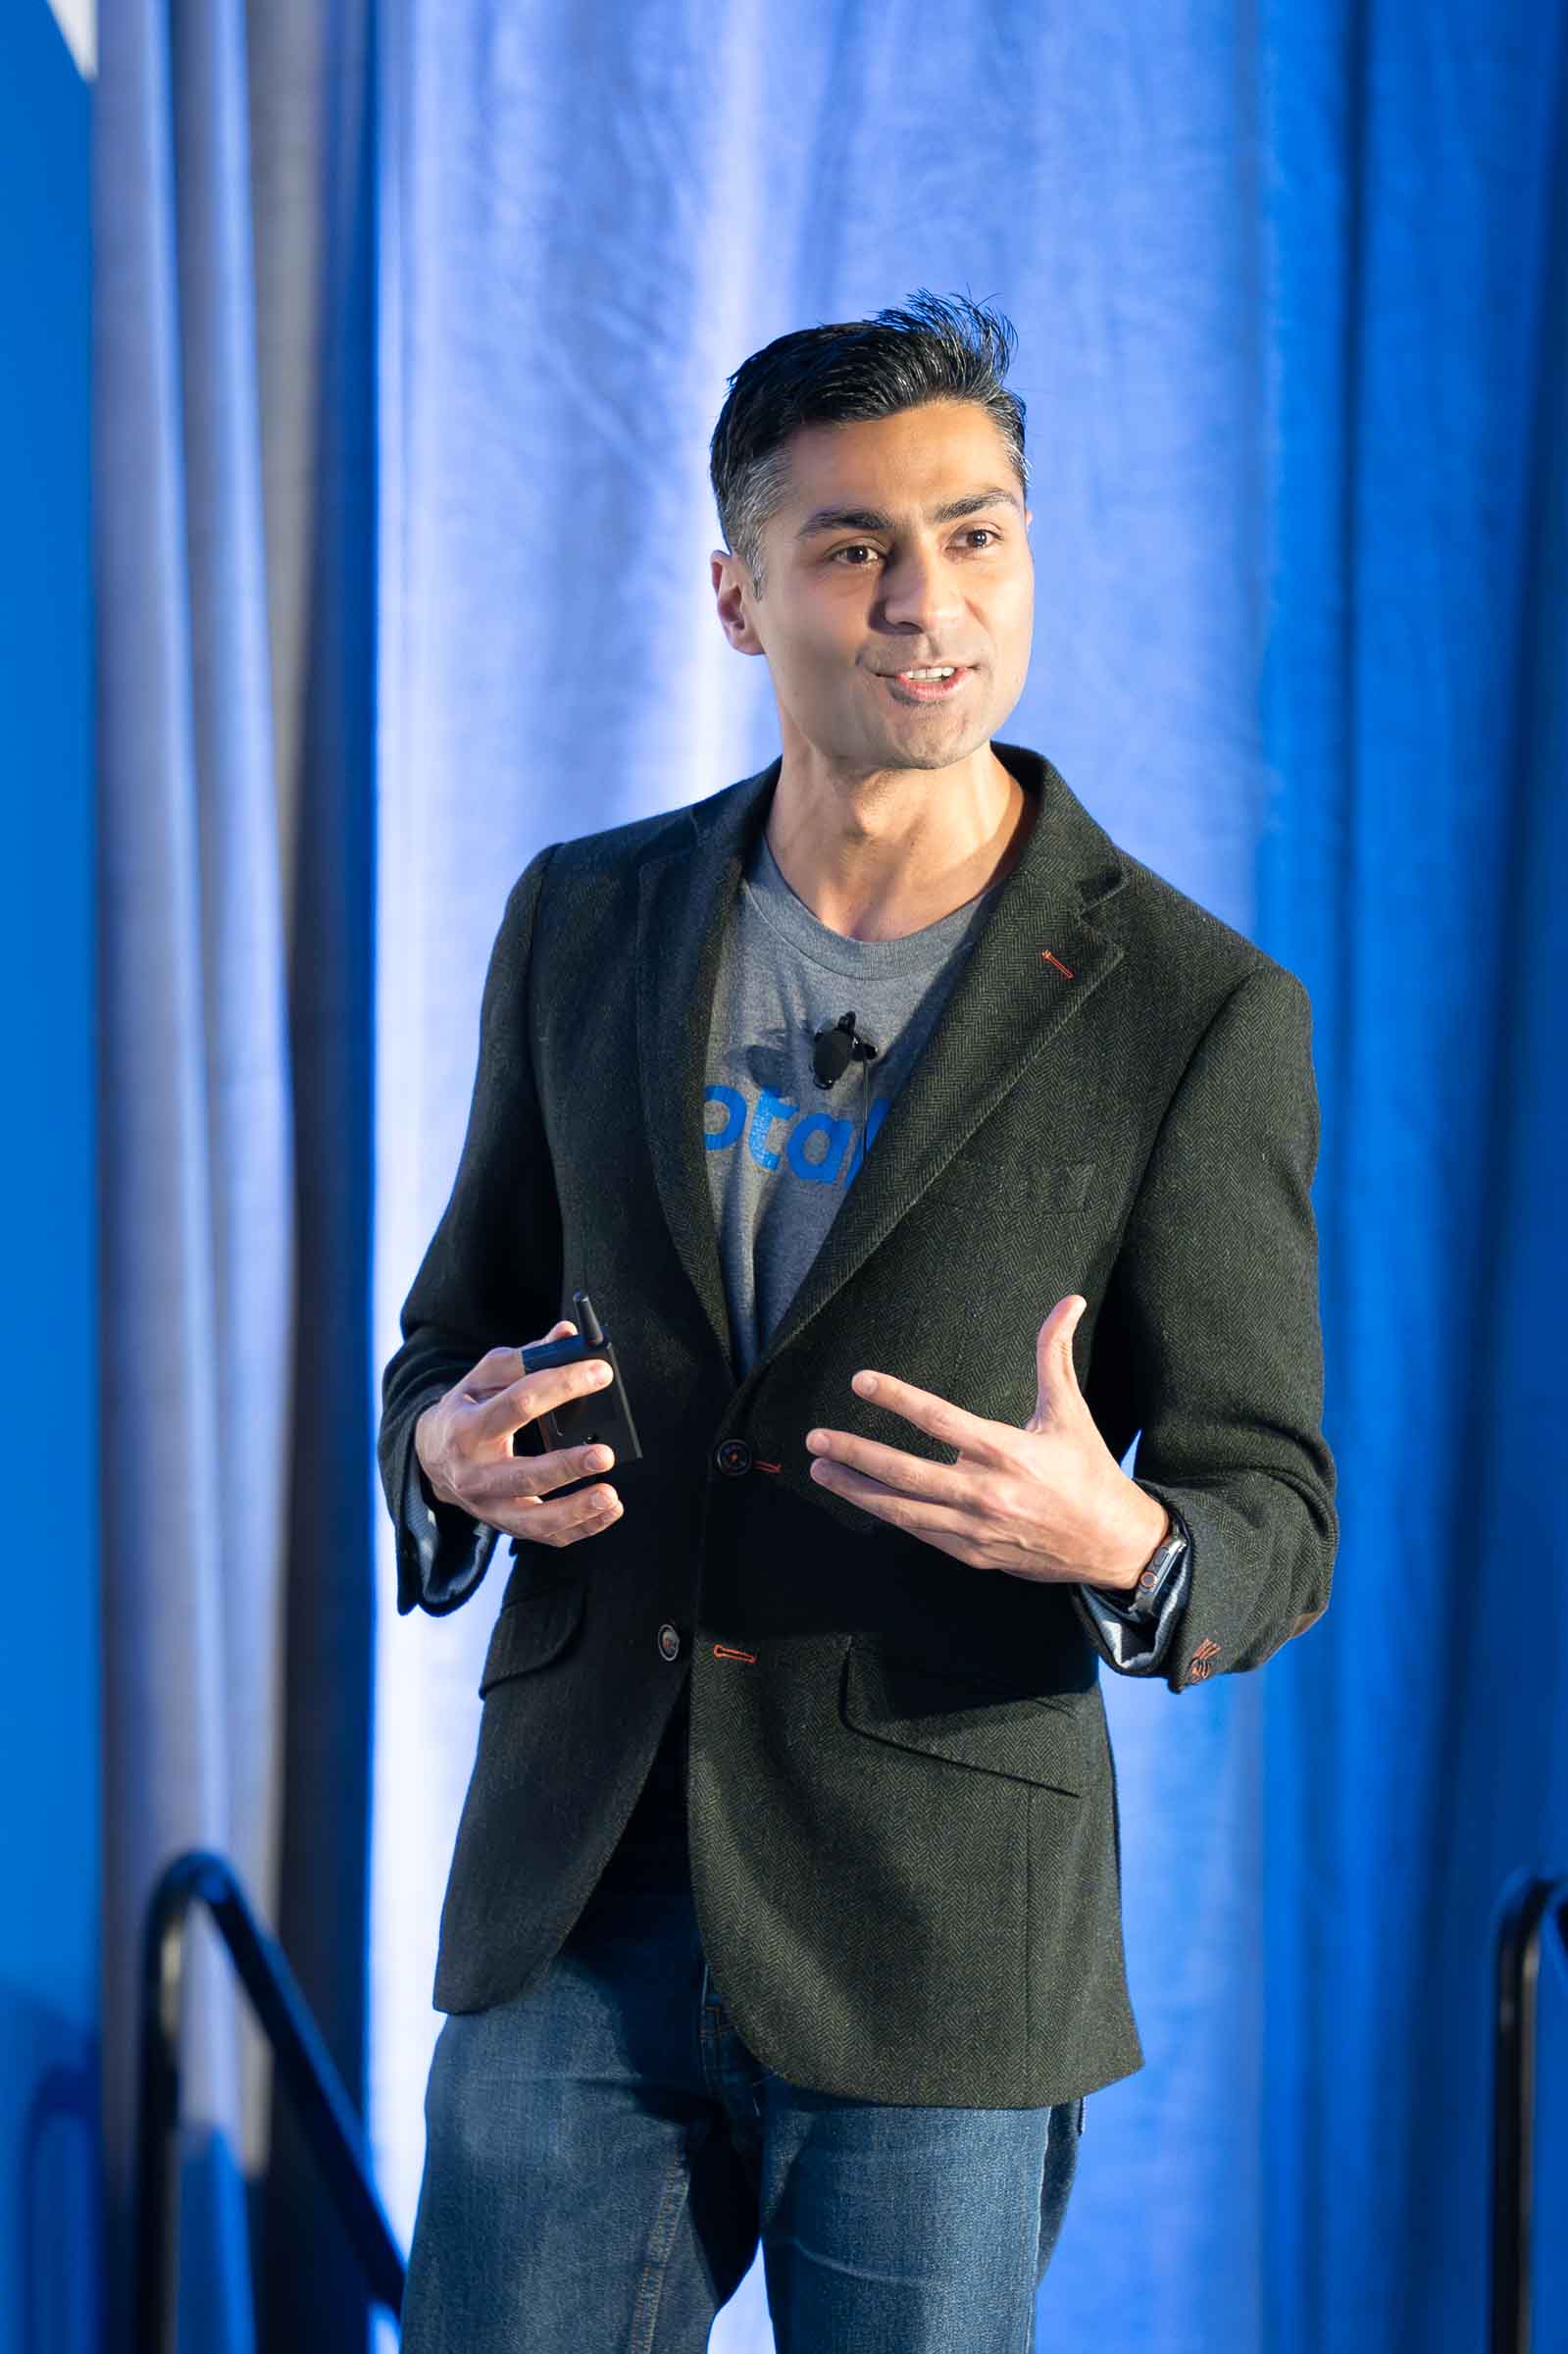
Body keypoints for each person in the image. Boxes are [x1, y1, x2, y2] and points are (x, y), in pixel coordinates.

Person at [377, 290, 1337, 2352]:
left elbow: (1271, 1504)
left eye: (975, 534)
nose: (928, 601)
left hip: (936, 1920)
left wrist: (1129, 1543)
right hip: (579, 1880)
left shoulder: (1193, 1012)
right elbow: (450, 1335)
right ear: (738, 597)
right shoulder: (583, 918)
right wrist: (441, 1457)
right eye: (854, 548)